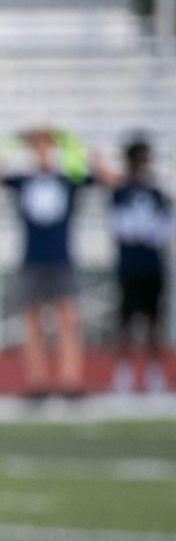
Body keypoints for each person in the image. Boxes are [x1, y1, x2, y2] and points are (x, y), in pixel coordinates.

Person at [0, 127, 103, 399]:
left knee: (68, 321)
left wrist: (75, 144)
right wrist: (7, 146)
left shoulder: (68, 180)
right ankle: (37, 382)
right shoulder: (23, 181)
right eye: (38, 148)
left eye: (48, 148)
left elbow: (106, 177)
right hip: (32, 258)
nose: (44, 154)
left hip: (62, 259)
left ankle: (71, 380)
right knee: (32, 322)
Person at [109, 138, 171, 395]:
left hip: (152, 266)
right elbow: (120, 228)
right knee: (125, 323)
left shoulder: (157, 194)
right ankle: (123, 375)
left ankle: (155, 375)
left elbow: (165, 229)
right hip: (129, 266)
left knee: (155, 322)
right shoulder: (120, 193)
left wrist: (148, 230)